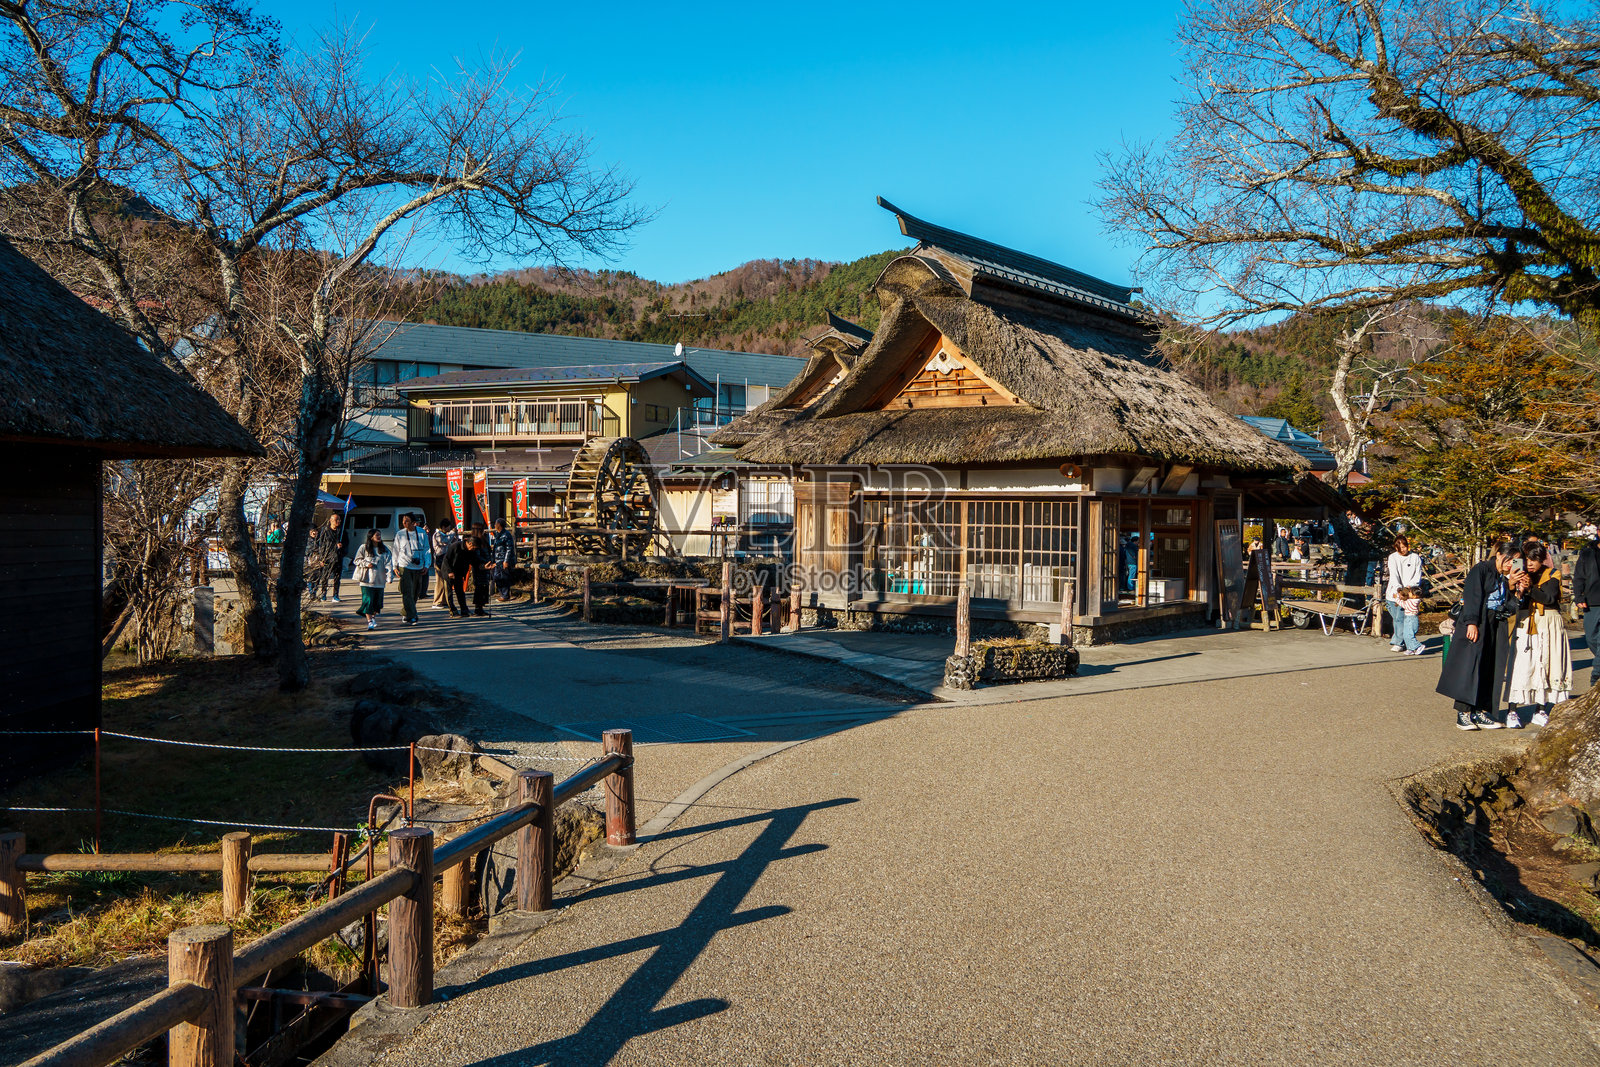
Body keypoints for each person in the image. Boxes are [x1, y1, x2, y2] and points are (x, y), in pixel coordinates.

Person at [1437, 544, 1528, 730]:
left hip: (1495, 622)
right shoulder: (1481, 570)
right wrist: (1471, 622)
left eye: (1515, 561)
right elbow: (1473, 596)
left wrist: (1518, 591)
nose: (1511, 564)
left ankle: (1481, 710)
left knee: (1490, 666)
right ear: (1499, 555)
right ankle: (1463, 713)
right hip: (1478, 622)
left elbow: (1506, 604)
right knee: (1470, 667)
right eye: (1509, 559)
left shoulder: (1502, 577)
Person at [1506, 542, 1571, 729]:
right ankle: (1512, 710)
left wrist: (1530, 588)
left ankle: (1540, 709)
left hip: (1549, 623)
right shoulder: (1518, 573)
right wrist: (1515, 585)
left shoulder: (1552, 574)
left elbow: (1549, 598)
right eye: (1528, 559)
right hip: (1526, 623)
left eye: (1536, 559)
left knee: (1549, 665)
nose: (1532, 563)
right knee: (1522, 666)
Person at [1385, 536, 1426, 653]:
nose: (1402, 550)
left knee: (1401, 619)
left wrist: (1409, 587)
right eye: (1399, 548)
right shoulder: (1392, 557)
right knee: (1397, 618)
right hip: (1394, 593)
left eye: (1404, 547)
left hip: (1409, 593)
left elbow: (1417, 575)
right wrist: (1398, 589)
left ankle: (1399, 642)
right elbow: (1394, 575)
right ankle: (1403, 641)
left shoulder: (1415, 558)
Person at [392, 512, 432, 626]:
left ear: (414, 523)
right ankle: (413, 616)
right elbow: (395, 550)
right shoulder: (400, 534)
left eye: (407, 521)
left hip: (418, 566)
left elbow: (426, 549)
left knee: (415, 592)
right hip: (404, 565)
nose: (404, 523)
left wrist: (426, 565)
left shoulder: (421, 532)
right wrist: (394, 566)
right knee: (406, 591)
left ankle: (406, 612)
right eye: (403, 520)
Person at [351, 530, 392, 631]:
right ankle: (369, 621)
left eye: (380, 535)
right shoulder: (363, 548)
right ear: (371, 537)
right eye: (377, 535)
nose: (379, 537)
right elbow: (356, 560)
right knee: (368, 601)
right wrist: (366, 564)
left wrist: (389, 577)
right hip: (367, 580)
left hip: (379, 580)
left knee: (377, 603)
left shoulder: (384, 549)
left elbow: (389, 564)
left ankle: (373, 618)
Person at [1575, 531, 1600, 677]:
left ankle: (1596, 675)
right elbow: (1579, 577)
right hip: (1591, 602)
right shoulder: (1587, 553)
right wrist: (1579, 597)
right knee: (1590, 638)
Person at [317, 511, 350, 603]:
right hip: (327, 557)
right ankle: (323, 594)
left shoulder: (342, 531)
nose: (338, 521)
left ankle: (335, 595)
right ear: (331, 521)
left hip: (338, 557)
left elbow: (347, 543)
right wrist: (322, 558)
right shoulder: (325, 531)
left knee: (337, 577)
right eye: (336, 520)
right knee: (325, 577)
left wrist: (342, 549)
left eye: (339, 519)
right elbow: (322, 545)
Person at [443, 530, 474, 618]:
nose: (473, 549)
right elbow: (446, 559)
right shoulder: (455, 546)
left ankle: (464, 609)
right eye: (473, 547)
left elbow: (473, 561)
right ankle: (452, 611)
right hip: (448, 570)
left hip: (459, 572)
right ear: (469, 544)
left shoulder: (470, 551)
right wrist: (449, 572)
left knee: (460, 591)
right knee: (449, 592)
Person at [431, 518, 459, 611]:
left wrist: (455, 534)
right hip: (439, 560)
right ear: (443, 527)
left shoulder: (446, 535)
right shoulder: (437, 534)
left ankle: (443, 601)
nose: (449, 529)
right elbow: (444, 541)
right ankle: (437, 601)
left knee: (445, 581)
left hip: (445, 560)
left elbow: (454, 542)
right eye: (448, 527)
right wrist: (452, 533)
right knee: (439, 581)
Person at [1393, 586, 1425, 656]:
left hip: (1411, 620)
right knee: (1406, 634)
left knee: (1409, 635)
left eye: (1410, 592)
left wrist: (1396, 598)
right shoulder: (1414, 600)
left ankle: (1418, 646)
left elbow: (1403, 604)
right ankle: (1410, 649)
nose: (1408, 593)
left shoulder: (1412, 602)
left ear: (1414, 596)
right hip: (1409, 619)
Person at [469, 522, 492, 617]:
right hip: (479, 567)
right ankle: (478, 608)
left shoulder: (484, 540)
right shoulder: (476, 541)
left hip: (486, 565)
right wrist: (485, 562)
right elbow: (476, 557)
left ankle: (481, 607)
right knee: (479, 587)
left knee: (485, 586)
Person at [490, 519, 515, 602]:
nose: (494, 526)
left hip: (503, 559)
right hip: (497, 559)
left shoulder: (506, 535)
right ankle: (503, 594)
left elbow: (509, 548)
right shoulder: (498, 534)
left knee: (503, 577)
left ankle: (505, 595)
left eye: (496, 524)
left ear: (499, 525)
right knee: (496, 577)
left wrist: (506, 560)